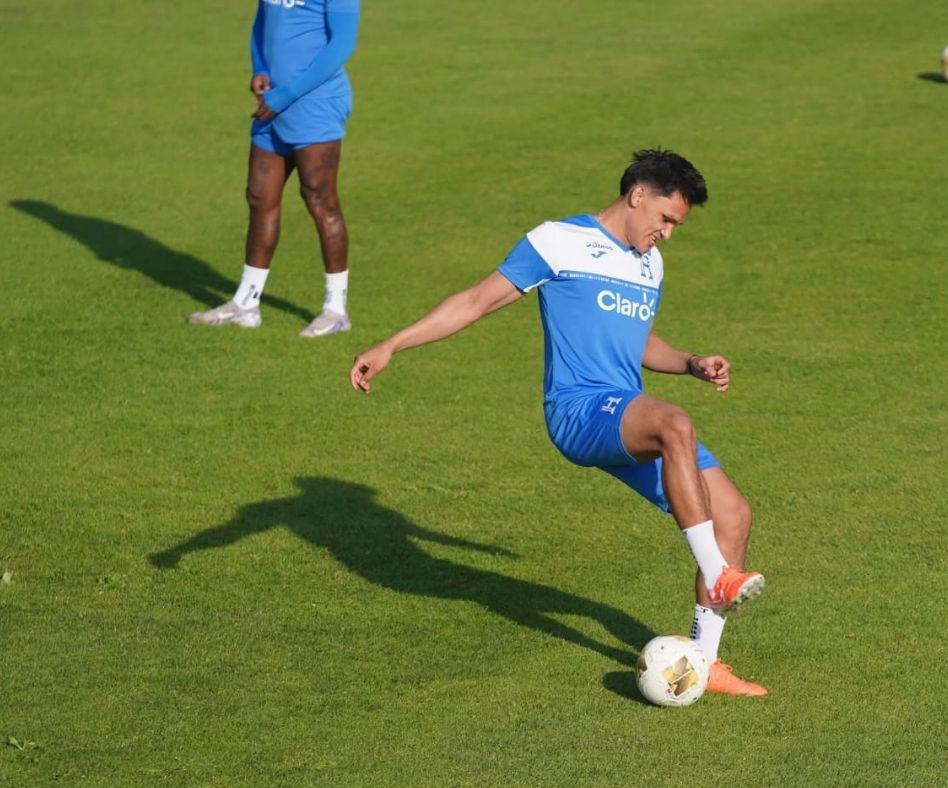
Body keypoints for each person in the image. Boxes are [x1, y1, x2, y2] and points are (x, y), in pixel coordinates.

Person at [349, 149, 769, 696]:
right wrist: (391, 345)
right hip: (578, 410)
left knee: (733, 512)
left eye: (676, 226)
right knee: (675, 423)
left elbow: (636, 340)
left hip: (624, 413)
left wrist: (690, 362)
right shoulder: (558, 241)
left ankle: (704, 662)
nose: (667, 233)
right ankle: (716, 570)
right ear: (638, 194)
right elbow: (475, 300)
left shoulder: (649, 263)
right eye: (666, 218)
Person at [189, 0, 360, 338]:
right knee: (259, 196)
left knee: (320, 200)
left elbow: (342, 44)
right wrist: (259, 67)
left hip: (315, 105)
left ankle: (336, 310)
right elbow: (262, 21)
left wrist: (288, 94)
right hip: (273, 104)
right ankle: (245, 303)